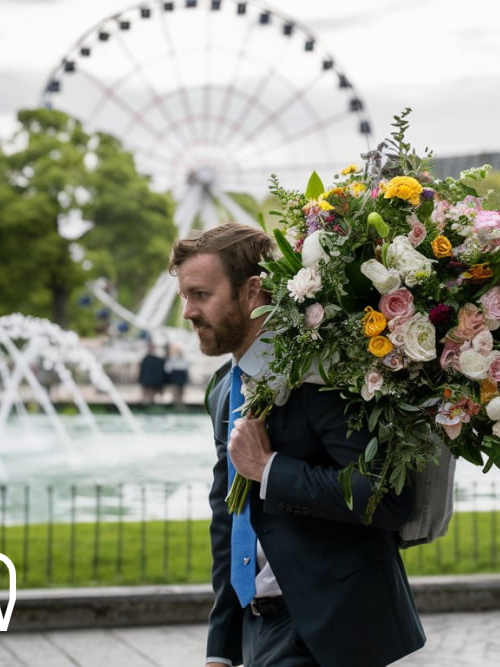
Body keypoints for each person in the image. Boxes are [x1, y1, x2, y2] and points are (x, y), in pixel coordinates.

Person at [168, 222, 425, 667]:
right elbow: (229, 522)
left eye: (201, 295)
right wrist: (221, 648)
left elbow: (387, 497)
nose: (188, 312)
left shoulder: (323, 376)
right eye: (185, 297)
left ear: (252, 292)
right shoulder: (223, 391)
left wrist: (268, 470)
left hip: (331, 631)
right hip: (257, 630)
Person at [164, 342, 190, 408]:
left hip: (181, 375)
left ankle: (180, 404)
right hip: (175, 376)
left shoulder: (184, 358)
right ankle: (175, 404)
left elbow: (185, 366)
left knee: (181, 391)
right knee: (175, 391)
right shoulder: (172, 358)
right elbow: (167, 369)